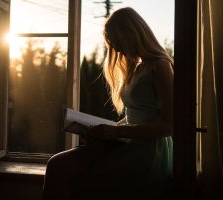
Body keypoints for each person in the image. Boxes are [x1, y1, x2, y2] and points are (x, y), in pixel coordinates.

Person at [42, 7, 174, 200]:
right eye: (113, 45)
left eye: (118, 41)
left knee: (70, 177)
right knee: (57, 164)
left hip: (149, 153)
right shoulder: (140, 68)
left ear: (132, 33)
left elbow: (168, 126)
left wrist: (116, 132)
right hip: (130, 143)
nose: (117, 49)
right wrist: (102, 131)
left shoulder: (161, 66)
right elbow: (134, 117)